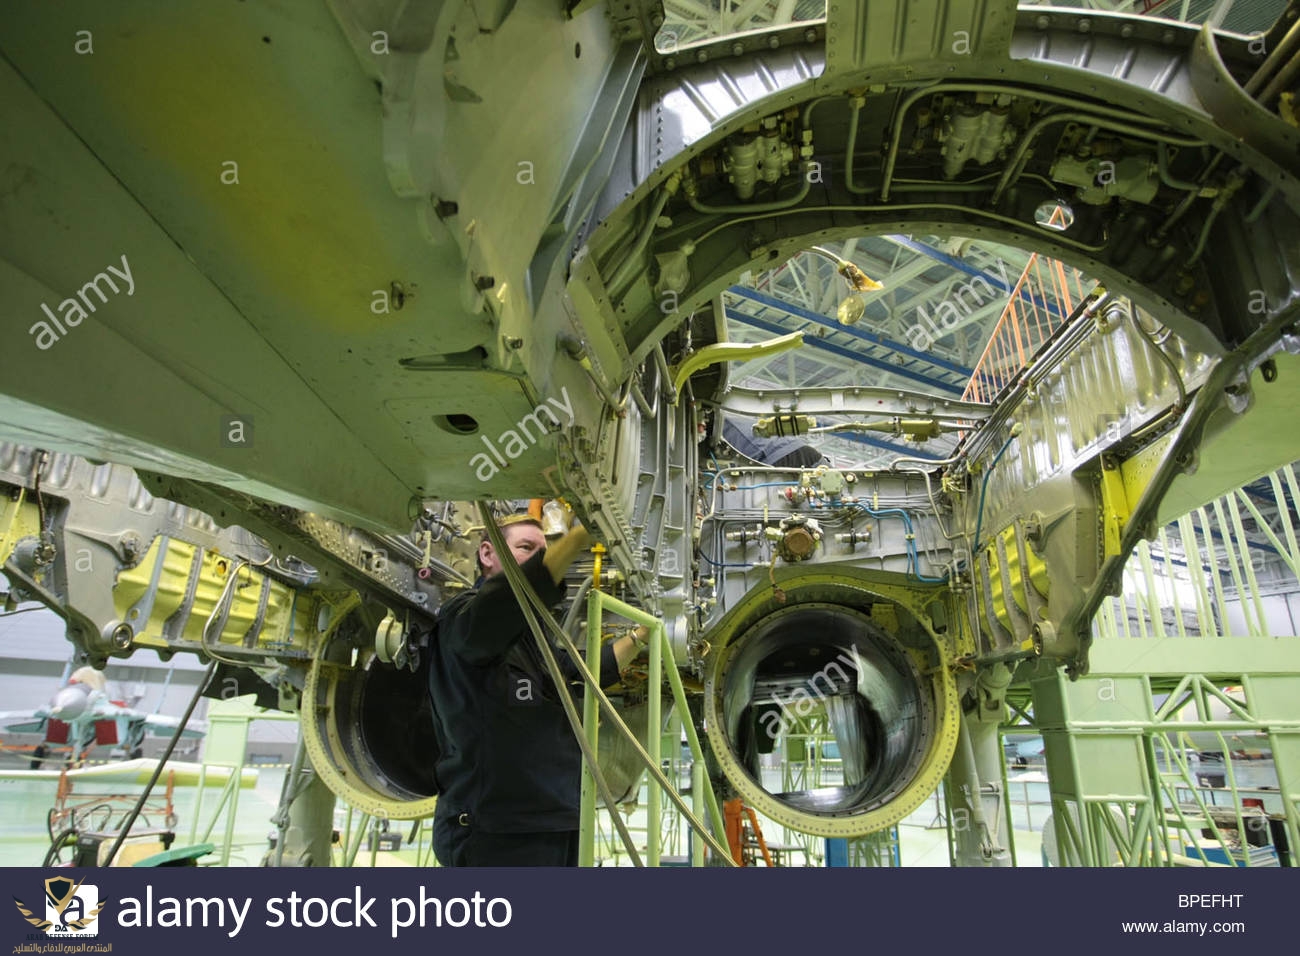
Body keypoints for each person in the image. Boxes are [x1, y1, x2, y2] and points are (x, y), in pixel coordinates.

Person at [428, 513, 645, 866]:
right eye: (526, 547)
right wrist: (578, 537)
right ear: (487, 554)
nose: (538, 558)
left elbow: (579, 672)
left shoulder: (534, 635)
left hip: (558, 823)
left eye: (543, 551)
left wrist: (642, 636)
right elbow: (511, 598)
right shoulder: (464, 618)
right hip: (498, 835)